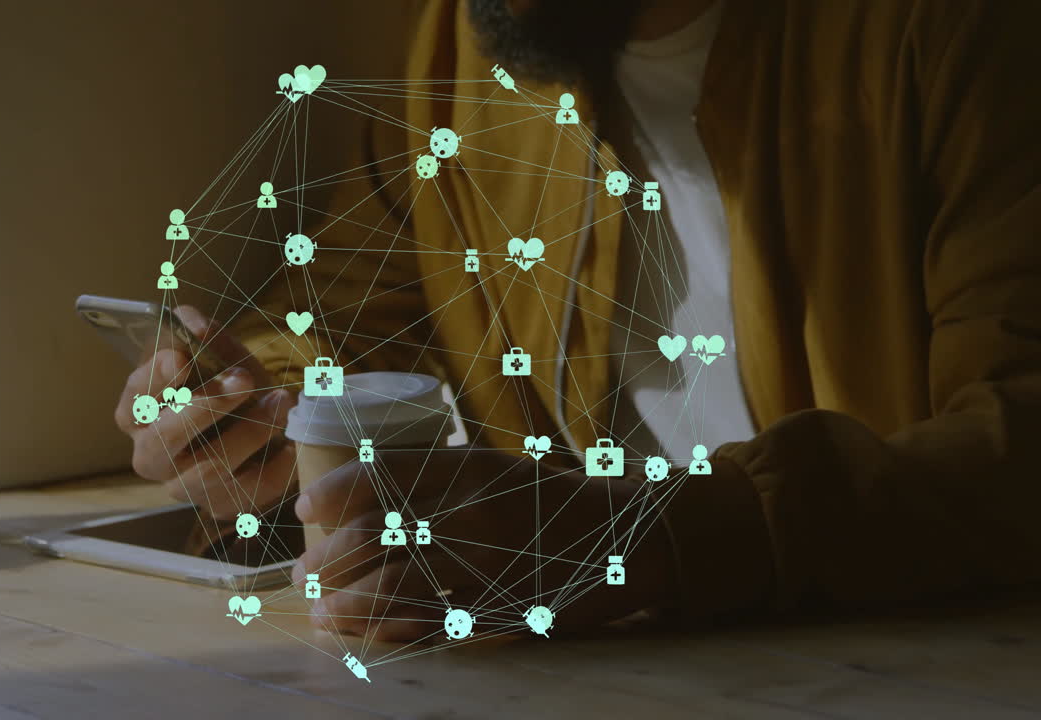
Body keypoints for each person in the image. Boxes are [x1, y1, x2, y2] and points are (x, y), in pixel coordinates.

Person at [115, 0, 1041, 641]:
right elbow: (365, 305)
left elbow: (1015, 441)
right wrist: (248, 406)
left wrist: (650, 540)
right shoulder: (470, 40)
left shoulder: (954, 35)